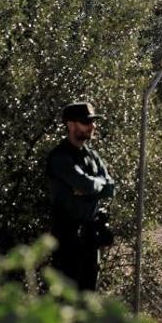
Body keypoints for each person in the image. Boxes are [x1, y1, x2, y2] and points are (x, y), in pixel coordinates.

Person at [46, 102, 115, 292]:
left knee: (88, 298)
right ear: (70, 125)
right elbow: (85, 183)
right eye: (86, 122)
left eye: (93, 121)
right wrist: (93, 185)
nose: (92, 126)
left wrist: (91, 187)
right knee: (65, 300)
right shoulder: (60, 157)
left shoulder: (92, 156)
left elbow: (110, 187)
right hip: (67, 237)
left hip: (91, 237)